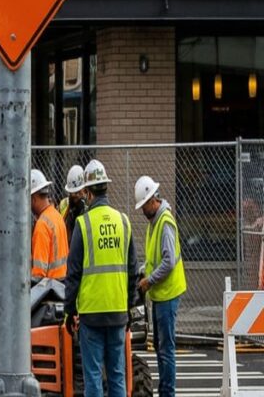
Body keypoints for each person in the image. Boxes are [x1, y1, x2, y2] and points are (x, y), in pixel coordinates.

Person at [64, 159, 139, 397]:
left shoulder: (83, 224)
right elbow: (132, 271)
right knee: (117, 374)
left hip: (91, 314)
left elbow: (73, 273)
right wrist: (129, 308)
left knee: (93, 377)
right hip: (118, 312)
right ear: (106, 187)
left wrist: (69, 311)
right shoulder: (123, 222)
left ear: (87, 192)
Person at [135, 175, 185, 397]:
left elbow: (168, 261)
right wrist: (143, 270)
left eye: (143, 206)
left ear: (151, 201)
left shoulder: (164, 222)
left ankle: (167, 393)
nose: (142, 211)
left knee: (166, 350)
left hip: (167, 294)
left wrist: (149, 280)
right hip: (160, 295)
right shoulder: (154, 223)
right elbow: (156, 259)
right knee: (160, 347)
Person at [31, 168, 68, 281]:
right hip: (62, 285)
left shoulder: (42, 225)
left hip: (49, 290)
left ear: (33, 199)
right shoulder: (57, 216)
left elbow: (38, 273)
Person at [58, 164, 87, 242]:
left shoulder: (90, 206)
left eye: (78, 192)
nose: (75, 195)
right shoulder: (63, 204)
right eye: (72, 192)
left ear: (84, 189)